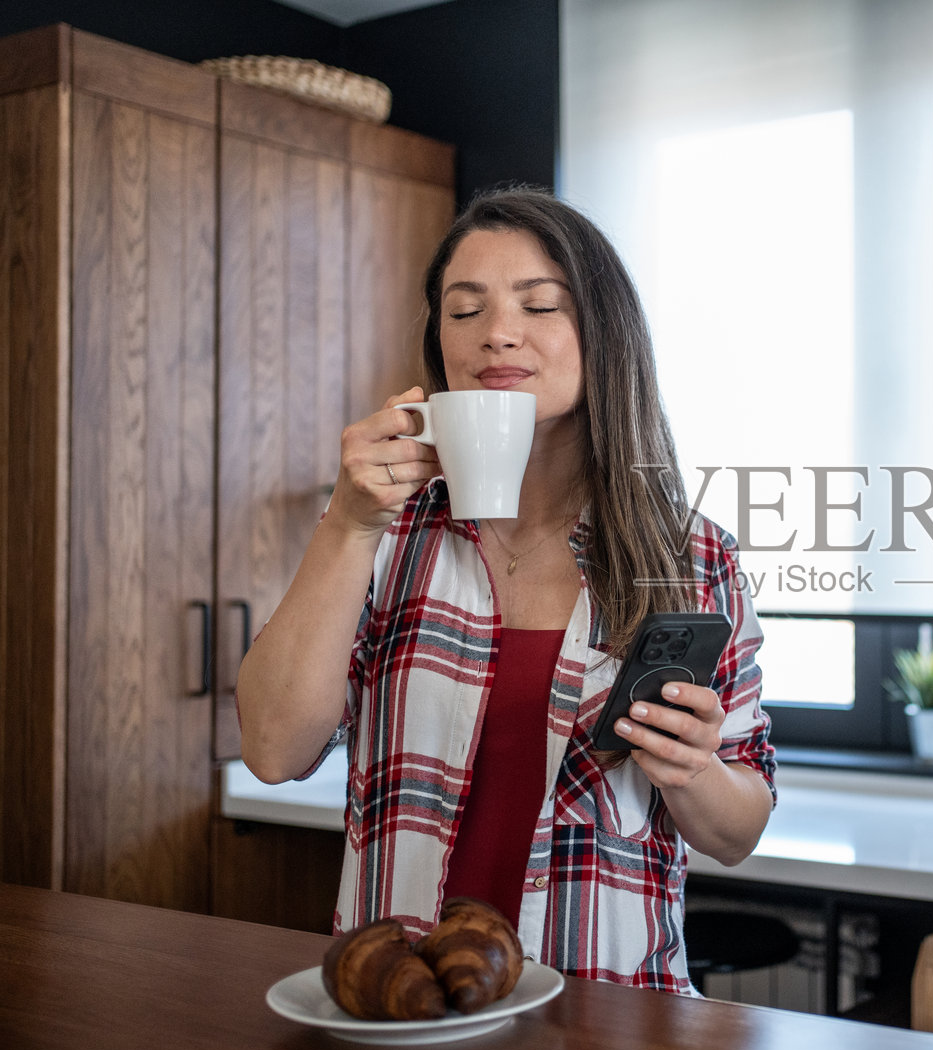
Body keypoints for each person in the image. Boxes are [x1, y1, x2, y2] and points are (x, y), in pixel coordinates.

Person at [235, 184, 775, 993]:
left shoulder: (691, 557)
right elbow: (275, 749)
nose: (497, 333)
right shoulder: (387, 532)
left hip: (606, 1021)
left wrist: (694, 768)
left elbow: (739, 831)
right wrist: (347, 523)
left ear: (602, 333)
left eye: (539, 303)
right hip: (403, 1009)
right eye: (464, 309)